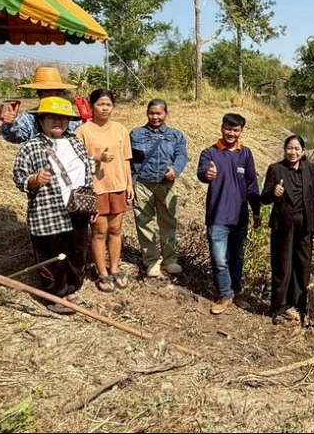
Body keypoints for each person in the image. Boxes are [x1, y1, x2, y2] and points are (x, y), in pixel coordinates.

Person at [12, 97, 95, 314]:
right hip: (47, 212)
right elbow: (19, 177)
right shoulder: (30, 147)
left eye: (63, 118)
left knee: (77, 252)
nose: (58, 121)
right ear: (41, 121)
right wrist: (34, 180)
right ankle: (55, 296)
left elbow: (87, 172)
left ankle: (71, 290)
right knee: (53, 255)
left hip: (77, 208)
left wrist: (91, 204)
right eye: (52, 117)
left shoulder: (76, 141)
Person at [197, 113, 262, 315]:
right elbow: (202, 173)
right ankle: (224, 294)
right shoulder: (209, 153)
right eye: (228, 128)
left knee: (237, 258)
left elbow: (252, 185)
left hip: (240, 217)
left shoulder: (246, 154)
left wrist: (256, 212)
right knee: (219, 258)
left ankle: (235, 292)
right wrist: (207, 174)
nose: (231, 133)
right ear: (221, 127)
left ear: (241, 131)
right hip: (217, 217)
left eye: (236, 130)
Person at [261, 135, 314, 325]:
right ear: (284, 149)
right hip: (283, 225)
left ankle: (300, 305)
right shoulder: (276, 169)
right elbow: (263, 198)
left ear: (303, 151)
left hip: (305, 225)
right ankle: (279, 307)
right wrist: (274, 193)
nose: (293, 152)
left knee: (303, 266)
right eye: (289, 148)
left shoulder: (309, 169)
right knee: (283, 266)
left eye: (297, 149)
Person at [74, 89, 133, 293]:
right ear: (91, 106)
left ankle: (115, 268)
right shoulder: (83, 131)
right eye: (100, 104)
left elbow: (126, 159)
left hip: (118, 186)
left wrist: (129, 184)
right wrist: (98, 158)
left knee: (116, 230)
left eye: (108, 104)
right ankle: (102, 273)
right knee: (99, 232)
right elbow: (77, 162)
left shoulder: (120, 129)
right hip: (96, 189)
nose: (105, 108)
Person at [130, 99, 188, 277]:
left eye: (159, 113)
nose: (155, 117)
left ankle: (170, 259)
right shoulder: (136, 134)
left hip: (166, 185)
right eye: (151, 113)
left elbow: (181, 155)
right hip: (142, 185)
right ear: (147, 113)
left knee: (168, 222)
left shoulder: (176, 135)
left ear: (166, 114)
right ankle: (152, 260)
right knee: (144, 222)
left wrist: (176, 170)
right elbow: (128, 159)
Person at [0, 67, 82, 143]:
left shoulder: (71, 117)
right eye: (48, 95)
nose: (53, 98)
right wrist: (8, 125)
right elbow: (15, 138)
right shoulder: (28, 118)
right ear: (40, 95)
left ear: (63, 95)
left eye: (58, 94)